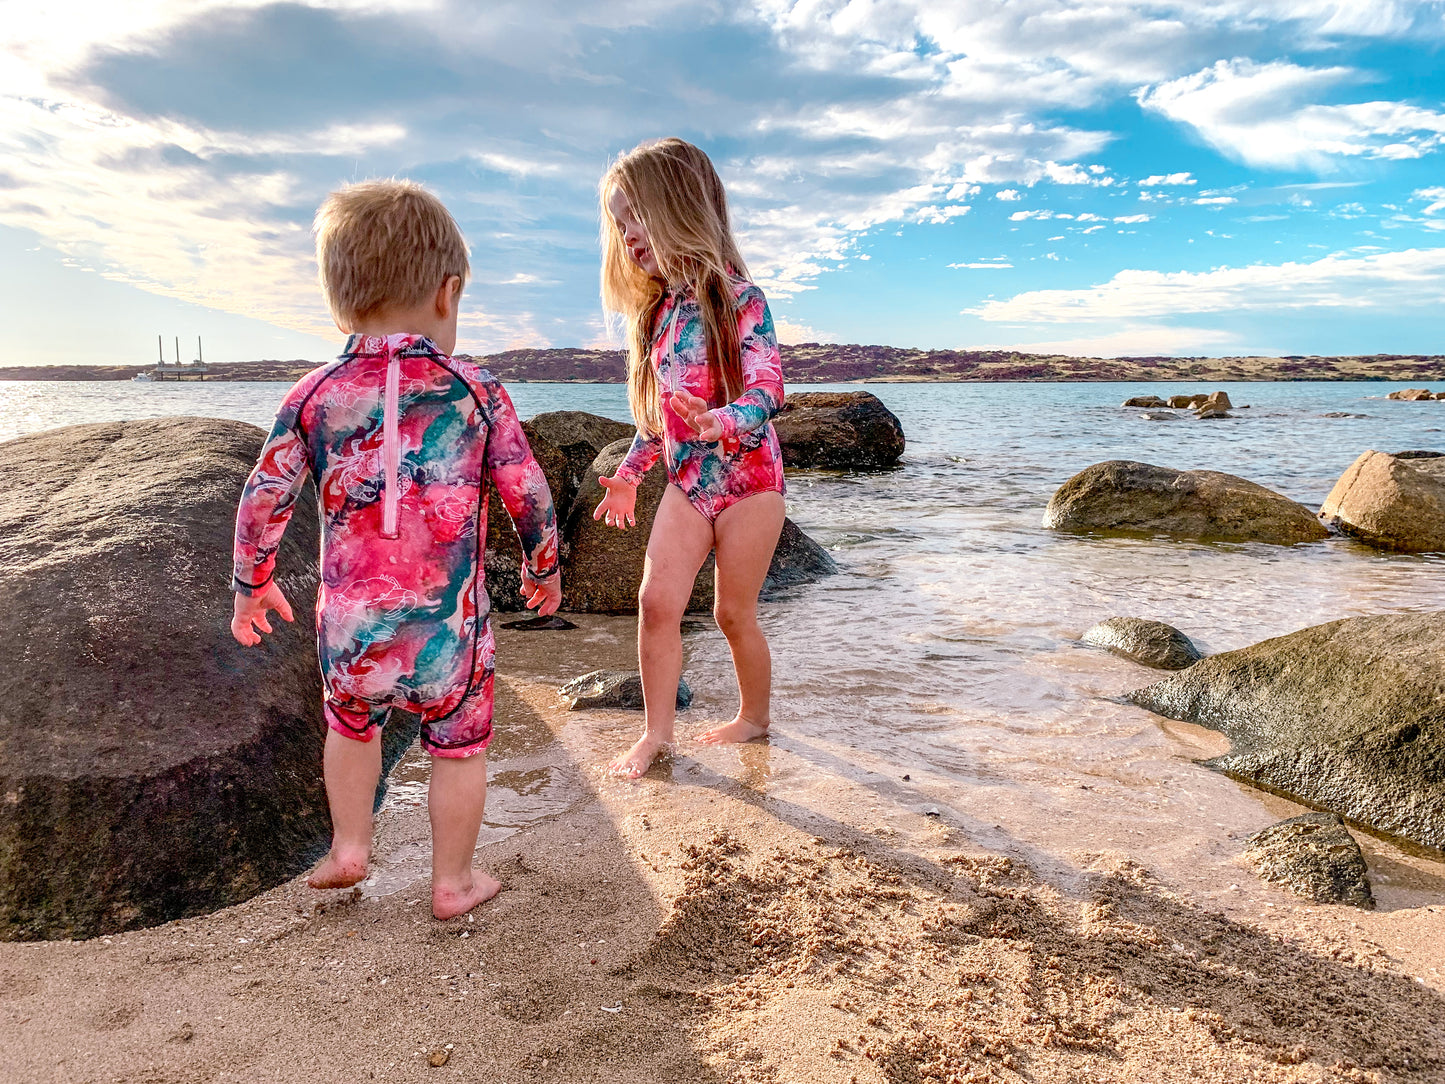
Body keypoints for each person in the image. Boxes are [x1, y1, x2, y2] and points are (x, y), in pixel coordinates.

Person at [230, 180, 560, 919]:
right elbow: (527, 489)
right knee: (458, 746)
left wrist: (251, 582)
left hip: (350, 626)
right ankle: (454, 883)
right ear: (448, 293)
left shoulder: (315, 393)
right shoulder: (473, 387)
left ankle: (350, 847)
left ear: (339, 299)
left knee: (348, 727)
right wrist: (543, 569)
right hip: (450, 628)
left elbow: (265, 494)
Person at [593, 138, 786, 779]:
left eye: (636, 218)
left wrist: (720, 420)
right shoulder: (658, 316)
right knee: (656, 603)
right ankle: (655, 735)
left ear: (679, 208)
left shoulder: (739, 298)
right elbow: (657, 423)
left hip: (751, 481)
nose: (628, 237)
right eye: (619, 227)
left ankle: (754, 719)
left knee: (732, 612)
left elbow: (767, 391)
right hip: (690, 481)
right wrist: (626, 477)